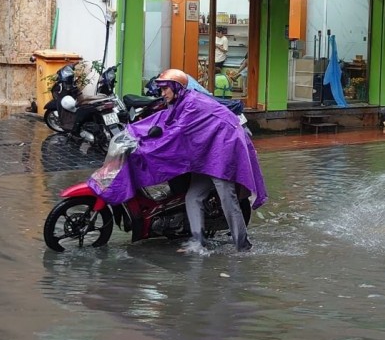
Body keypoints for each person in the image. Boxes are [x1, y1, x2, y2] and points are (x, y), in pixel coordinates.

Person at [99, 68, 266, 254]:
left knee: (228, 198)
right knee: (193, 196)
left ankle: (243, 246)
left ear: (176, 87)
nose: (162, 93)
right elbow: (161, 120)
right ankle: (197, 242)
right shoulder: (179, 102)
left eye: (165, 89)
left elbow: (174, 133)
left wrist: (145, 148)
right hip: (207, 152)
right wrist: (132, 133)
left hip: (224, 148)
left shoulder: (191, 104)